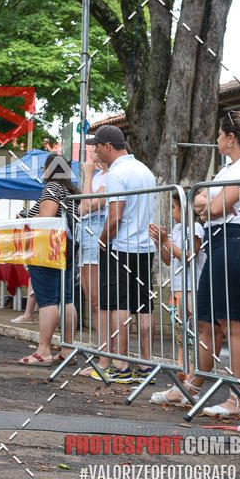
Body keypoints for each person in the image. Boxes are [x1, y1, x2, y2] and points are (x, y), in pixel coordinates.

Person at [152, 110, 240, 417]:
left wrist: (207, 204)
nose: (217, 140)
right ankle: (191, 388)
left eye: (219, 135)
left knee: (232, 322)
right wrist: (206, 205)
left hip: (236, 241)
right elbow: (199, 203)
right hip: (216, 241)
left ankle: (239, 397)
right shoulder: (226, 169)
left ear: (230, 138)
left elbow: (213, 206)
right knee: (205, 321)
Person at [88, 125, 156, 384]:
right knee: (144, 306)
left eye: (97, 147)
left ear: (108, 146)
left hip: (122, 246)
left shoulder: (117, 173)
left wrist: (102, 240)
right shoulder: (144, 170)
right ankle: (146, 365)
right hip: (145, 247)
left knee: (119, 305)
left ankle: (122, 365)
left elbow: (115, 216)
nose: (96, 152)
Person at [17, 154, 79, 365]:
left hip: (47, 247)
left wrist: (26, 219)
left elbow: (47, 217)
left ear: (50, 169)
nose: (41, 170)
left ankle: (43, 350)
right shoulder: (70, 190)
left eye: (44, 167)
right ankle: (68, 349)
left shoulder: (51, 188)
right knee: (66, 298)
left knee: (47, 299)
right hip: (66, 246)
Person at [149, 192, 205, 376]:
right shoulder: (177, 228)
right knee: (180, 331)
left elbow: (189, 257)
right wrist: (160, 243)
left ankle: (192, 370)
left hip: (191, 288)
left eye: (174, 207)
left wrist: (166, 241)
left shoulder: (196, 228)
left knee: (191, 331)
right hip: (177, 287)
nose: (172, 212)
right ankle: (184, 368)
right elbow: (168, 259)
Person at [77, 148, 110, 376]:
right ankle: (103, 355)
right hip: (88, 233)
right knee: (93, 301)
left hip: (97, 232)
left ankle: (106, 358)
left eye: (96, 150)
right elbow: (82, 206)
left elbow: (88, 204)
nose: (92, 156)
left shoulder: (109, 176)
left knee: (99, 301)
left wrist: (88, 176)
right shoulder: (99, 177)